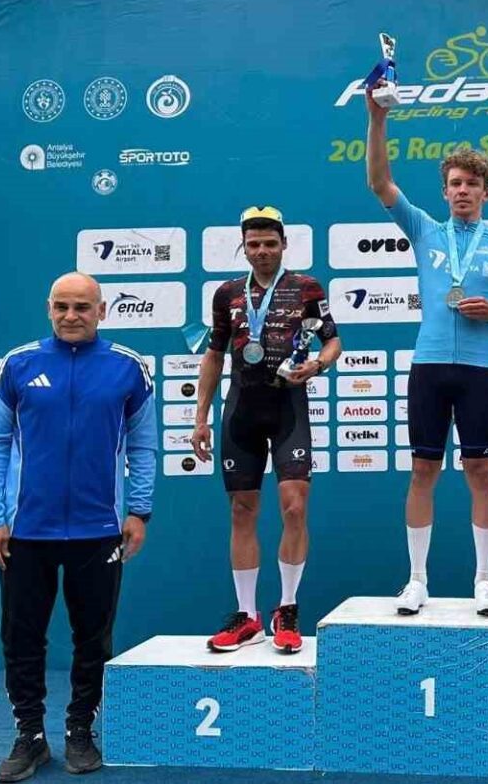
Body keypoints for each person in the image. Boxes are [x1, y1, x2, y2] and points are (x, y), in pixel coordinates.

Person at [365, 81, 488, 616]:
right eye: (455, 183)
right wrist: (377, 118)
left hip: (478, 370)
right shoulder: (424, 230)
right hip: (429, 366)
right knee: (423, 471)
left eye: (472, 184)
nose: (463, 191)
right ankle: (416, 580)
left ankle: (484, 580)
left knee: (480, 473)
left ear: (487, 192)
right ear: (443, 192)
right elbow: (379, 182)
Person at [0, 272, 157, 782]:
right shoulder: (16, 366)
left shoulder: (129, 369)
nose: (71, 316)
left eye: (81, 307)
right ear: (48, 309)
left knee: (93, 639)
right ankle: (29, 736)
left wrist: (139, 510)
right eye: (62, 306)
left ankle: (81, 729)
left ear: (102, 311)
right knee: (21, 638)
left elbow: (143, 445)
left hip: (99, 530)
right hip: (25, 532)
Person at [193, 206, 342, 654]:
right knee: (242, 511)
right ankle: (247, 616)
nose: (262, 251)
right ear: (244, 247)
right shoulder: (227, 294)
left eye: (270, 243)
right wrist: (200, 417)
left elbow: (333, 340)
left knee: (295, 508)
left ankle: (287, 608)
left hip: (287, 407)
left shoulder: (306, 288)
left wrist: (317, 365)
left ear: (283, 245)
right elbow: (214, 355)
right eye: (254, 244)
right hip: (241, 410)